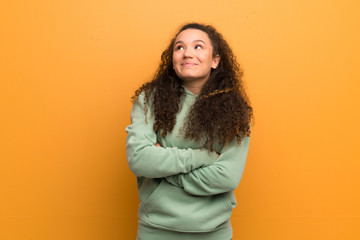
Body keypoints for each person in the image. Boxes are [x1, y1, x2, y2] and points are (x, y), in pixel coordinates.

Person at [125, 22, 253, 240]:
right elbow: (139, 159)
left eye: (198, 47)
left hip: (214, 233)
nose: (187, 53)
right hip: (155, 230)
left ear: (215, 60)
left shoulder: (234, 110)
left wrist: (164, 171)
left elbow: (226, 177)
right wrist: (203, 156)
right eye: (179, 47)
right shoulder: (149, 100)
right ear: (172, 59)